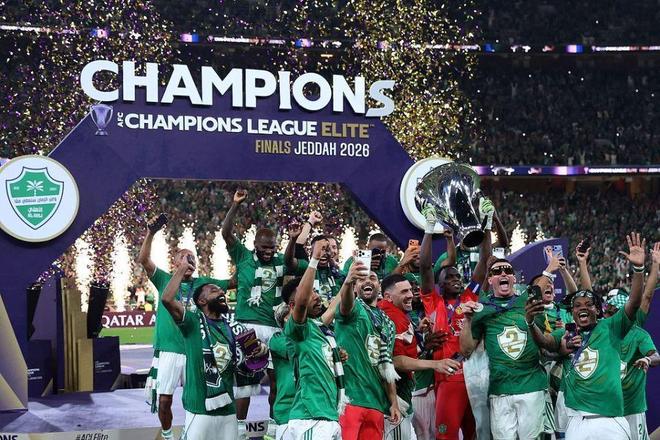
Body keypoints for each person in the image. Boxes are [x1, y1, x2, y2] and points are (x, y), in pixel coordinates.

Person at [525, 233, 647, 439]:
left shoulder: (611, 328)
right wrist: (529, 322)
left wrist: (638, 269)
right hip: (577, 421)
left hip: (610, 420)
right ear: (571, 312)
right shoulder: (567, 333)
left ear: (598, 310)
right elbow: (544, 342)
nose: (583, 308)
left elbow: (634, 303)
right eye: (577, 306)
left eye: (589, 305)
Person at [137, 214, 230, 440]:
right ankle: (168, 435)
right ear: (175, 264)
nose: (190, 260)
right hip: (169, 349)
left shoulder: (204, 284)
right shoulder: (165, 279)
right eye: (184, 257)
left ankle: (192, 432)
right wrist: (150, 233)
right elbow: (143, 259)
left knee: (198, 395)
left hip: (196, 350)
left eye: (192, 257)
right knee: (164, 400)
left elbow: (233, 282)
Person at [221, 189, 305, 432]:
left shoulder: (281, 260)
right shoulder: (243, 257)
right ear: (255, 245)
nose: (268, 251)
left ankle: (274, 427)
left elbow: (292, 263)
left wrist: (292, 241)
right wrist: (235, 205)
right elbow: (226, 233)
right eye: (264, 247)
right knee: (245, 381)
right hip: (248, 326)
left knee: (278, 380)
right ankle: (238, 429)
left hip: (274, 327)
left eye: (272, 248)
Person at [160, 253, 267, 439]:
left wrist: (261, 351)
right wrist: (182, 269)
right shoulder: (192, 323)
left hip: (228, 410)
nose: (222, 293)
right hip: (200, 410)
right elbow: (167, 299)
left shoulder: (236, 328)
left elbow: (254, 362)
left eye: (221, 291)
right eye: (214, 291)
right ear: (201, 301)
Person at [419, 207, 492, 440]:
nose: (456, 280)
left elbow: (485, 261)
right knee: (446, 435)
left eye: (458, 276)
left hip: (475, 377)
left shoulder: (470, 297)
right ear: (439, 283)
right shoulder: (433, 301)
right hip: (448, 377)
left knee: (476, 435)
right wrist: (429, 228)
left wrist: (487, 225)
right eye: (449, 277)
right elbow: (424, 266)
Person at [459, 258, 549, 440]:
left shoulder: (529, 303)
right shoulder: (482, 309)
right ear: (490, 280)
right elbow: (466, 350)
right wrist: (467, 321)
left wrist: (550, 269)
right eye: (497, 272)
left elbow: (544, 342)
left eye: (507, 271)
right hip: (499, 390)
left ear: (514, 278)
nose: (503, 274)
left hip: (531, 386)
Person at [379, 274, 462, 440]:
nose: (410, 294)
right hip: (393, 398)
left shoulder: (397, 314)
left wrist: (420, 337)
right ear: (388, 297)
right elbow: (396, 361)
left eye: (410, 290)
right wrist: (435, 364)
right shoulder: (392, 316)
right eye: (404, 291)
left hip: (399, 395)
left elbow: (405, 352)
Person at [283, 238, 344, 439]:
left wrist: (351, 279)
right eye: (311, 293)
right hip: (310, 417)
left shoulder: (318, 328)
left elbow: (334, 306)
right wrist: (314, 259)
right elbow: (301, 303)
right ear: (293, 306)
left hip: (329, 416)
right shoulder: (296, 330)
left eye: (316, 292)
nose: (317, 296)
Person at [335, 260, 401, 440]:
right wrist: (348, 281)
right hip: (350, 400)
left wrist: (394, 402)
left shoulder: (388, 324)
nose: (367, 281)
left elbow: (387, 367)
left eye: (372, 278)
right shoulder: (354, 309)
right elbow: (345, 304)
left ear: (379, 286)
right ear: (355, 288)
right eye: (361, 279)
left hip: (376, 403)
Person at [285, 217, 344, 310]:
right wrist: (292, 240)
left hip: (333, 318)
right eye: (320, 249)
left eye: (327, 249)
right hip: (311, 318)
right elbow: (289, 262)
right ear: (311, 251)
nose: (323, 253)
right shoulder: (306, 267)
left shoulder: (338, 274)